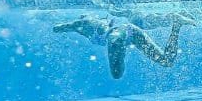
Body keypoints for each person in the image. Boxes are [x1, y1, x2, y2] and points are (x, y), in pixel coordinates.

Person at [53, 13, 191, 79]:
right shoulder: (82, 25)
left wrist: (59, 28)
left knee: (116, 72)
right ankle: (177, 24)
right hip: (131, 33)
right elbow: (60, 28)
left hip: (119, 34)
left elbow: (61, 27)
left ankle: (174, 21)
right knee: (166, 62)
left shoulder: (84, 24)